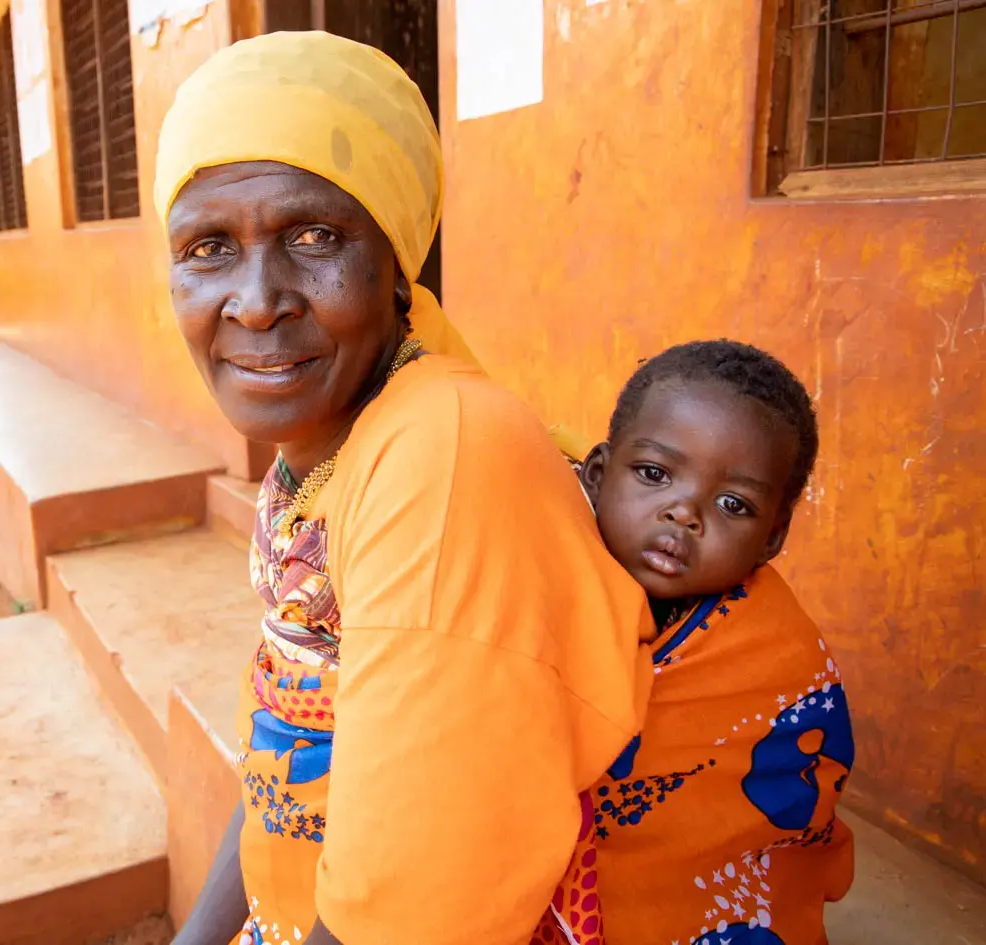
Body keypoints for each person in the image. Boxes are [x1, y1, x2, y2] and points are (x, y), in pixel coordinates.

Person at [155, 30, 653, 945]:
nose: (256, 300)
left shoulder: (443, 457)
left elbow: (407, 913)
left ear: (397, 266)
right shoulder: (321, 445)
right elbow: (281, 758)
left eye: (314, 237)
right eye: (208, 247)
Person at [576, 340, 855, 945]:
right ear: (597, 474)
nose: (684, 513)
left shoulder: (778, 660)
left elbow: (785, 804)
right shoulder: (528, 566)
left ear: (773, 536)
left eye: (734, 504)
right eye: (654, 474)